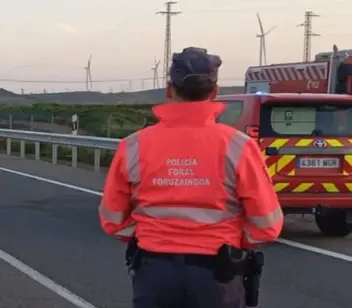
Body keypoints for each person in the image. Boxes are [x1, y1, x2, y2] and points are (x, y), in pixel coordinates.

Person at [98, 47, 284, 308]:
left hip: (154, 271)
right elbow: (267, 224)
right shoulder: (238, 146)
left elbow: (112, 219)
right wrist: (233, 239)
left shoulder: (133, 146)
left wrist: (149, 236)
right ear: (214, 91)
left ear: (169, 89)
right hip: (217, 273)